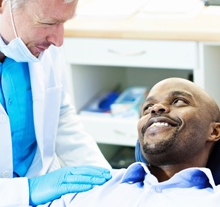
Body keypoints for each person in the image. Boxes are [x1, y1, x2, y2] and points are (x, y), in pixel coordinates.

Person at [0, 0, 112, 206]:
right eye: (48, 23)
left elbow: (59, 114)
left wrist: (106, 181)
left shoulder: (42, 45)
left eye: (63, 23)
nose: (58, 40)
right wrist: (26, 191)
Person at [41, 77, 220, 206]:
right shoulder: (90, 187)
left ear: (214, 131)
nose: (155, 108)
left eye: (179, 101)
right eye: (147, 107)